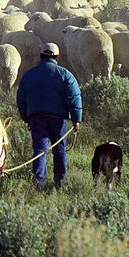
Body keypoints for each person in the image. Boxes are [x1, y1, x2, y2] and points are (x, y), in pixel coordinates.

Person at [15, 42, 82, 188]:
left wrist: (26, 118)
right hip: (58, 120)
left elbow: (21, 99)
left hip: (36, 118)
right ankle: (60, 183)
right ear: (57, 57)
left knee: (39, 151)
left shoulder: (29, 75)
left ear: (40, 56)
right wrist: (76, 119)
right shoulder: (65, 74)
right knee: (59, 151)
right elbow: (74, 98)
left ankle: (38, 184)